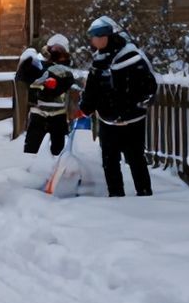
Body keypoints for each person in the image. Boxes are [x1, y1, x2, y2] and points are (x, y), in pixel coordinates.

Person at [78, 16, 156, 197]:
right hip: (108, 119)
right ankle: (115, 195)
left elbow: (148, 86)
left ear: (104, 37)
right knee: (109, 160)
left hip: (132, 119)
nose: (92, 41)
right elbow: (92, 90)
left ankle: (145, 195)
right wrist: (86, 107)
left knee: (136, 158)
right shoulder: (99, 61)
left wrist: (134, 102)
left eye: (94, 37)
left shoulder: (130, 57)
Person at [15, 34, 79, 156]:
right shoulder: (38, 64)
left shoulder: (66, 70)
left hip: (59, 114)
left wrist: (49, 84)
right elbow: (23, 79)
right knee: (31, 150)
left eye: (60, 50)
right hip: (38, 112)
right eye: (55, 48)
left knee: (58, 152)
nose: (57, 52)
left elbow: (63, 87)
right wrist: (26, 65)